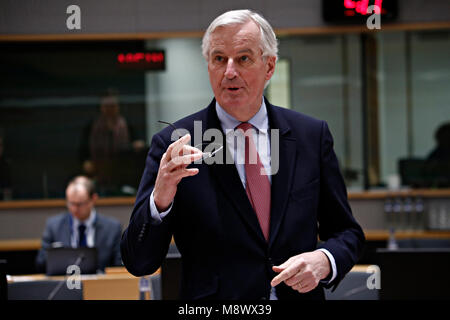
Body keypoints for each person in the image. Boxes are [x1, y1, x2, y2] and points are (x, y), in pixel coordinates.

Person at [121, 9, 365, 300]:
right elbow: (138, 262)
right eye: (219, 59)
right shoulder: (175, 144)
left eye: (244, 58)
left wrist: (324, 260)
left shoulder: (310, 137)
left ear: (270, 66)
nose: (230, 72)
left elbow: (347, 232)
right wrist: (159, 200)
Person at [36, 176, 122, 273]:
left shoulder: (112, 228)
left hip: (100, 285)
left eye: (80, 204)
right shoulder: (54, 226)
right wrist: (55, 255)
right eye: (71, 203)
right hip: (64, 284)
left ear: (93, 199)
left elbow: (119, 266)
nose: (74, 209)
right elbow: (41, 263)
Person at [80, 89, 146, 195]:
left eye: (113, 105)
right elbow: (83, 151)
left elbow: (137, 142)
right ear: (101, 107)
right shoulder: (92, 125)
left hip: (122, 171)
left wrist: (137, 145)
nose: (110, 109)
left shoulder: (126, 123)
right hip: (98, 171)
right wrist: (86, 161)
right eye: (107, 106)